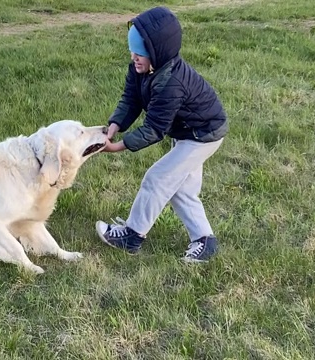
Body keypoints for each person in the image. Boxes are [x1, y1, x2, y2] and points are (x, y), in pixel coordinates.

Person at [95, 6, 228, 262]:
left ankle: (132, 236)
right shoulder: (142, 68)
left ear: (158, 51)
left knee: (158, 178)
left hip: (203, 134)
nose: (134, 57)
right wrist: (114, 125)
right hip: (189, 130)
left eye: (141, 52)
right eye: (132, 49)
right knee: (181, 188)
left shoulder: (172, 83)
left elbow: (155, 129)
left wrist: (118, 146)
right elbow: (130, 99)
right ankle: (205, 241)